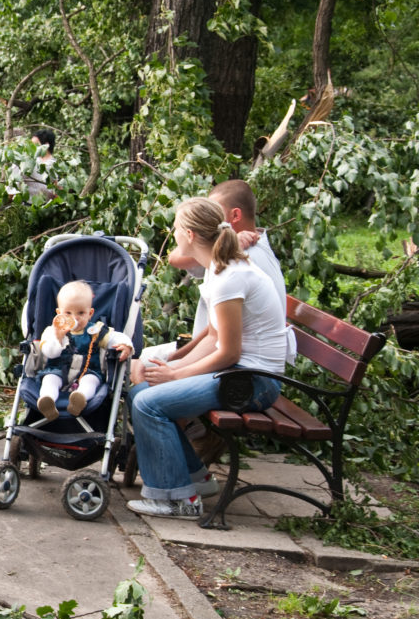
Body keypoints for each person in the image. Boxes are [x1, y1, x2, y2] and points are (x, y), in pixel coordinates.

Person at [126, 197, 290, 520]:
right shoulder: (219, 269)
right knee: (140, 391)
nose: (172, 234)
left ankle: (177, 501)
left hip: (253, 381)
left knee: (149, 404)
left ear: (189, 235)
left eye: (174, 228)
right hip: (238, 373)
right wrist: (175, 367)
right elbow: (214, 337)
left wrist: (176, 376)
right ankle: (195, 478)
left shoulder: (229, 277)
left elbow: (229, 351)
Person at [146, 179, 294, 465]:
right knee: (141, 370)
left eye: (216, 211)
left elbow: (227, 348)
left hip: (247, 373)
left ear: (233, 216)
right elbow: (215, 331)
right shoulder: (226, 253)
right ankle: (181, 460)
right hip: (229, 360)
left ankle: (190, 448)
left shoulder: (237, 263)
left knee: (145, 388)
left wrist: (177, 371)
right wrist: (180, 358)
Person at [35, 280, 134, 420]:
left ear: (90, 313)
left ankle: (79, 398)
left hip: (87, 371)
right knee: (49, 379)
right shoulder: (52, 331)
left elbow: (115, 337)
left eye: (81, 313)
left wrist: (125, 345)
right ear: (58, 313)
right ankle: (47, 400)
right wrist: (58, 339)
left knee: (91, 381)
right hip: (58, 370)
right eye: (68, 313)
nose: (75, 318)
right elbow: (50, 353)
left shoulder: (95, 330)